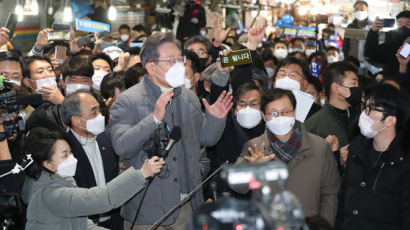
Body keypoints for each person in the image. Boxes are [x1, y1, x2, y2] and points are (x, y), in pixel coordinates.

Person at [109, 32, 233, 229]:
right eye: (171, 60)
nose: (179, 65)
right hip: (148, 209)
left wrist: (215, 119)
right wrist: (154, 119)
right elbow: (122, 147)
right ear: (150, 67)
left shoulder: (188, 97)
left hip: (188, 205)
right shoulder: (127, 100)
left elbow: (206, 140)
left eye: (180, 59)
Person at [21, 127, 164, 230]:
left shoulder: (63, 181)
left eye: (71, 152)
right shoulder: (50, 194)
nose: (72, 158)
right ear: (47, 164)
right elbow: (101, 198)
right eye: (64, 155)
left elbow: (80, 224)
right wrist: (140, 175)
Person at [233, 88, 340, 226]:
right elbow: (238, 187)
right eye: (273, 113)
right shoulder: (254, 147)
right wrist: (251, 169)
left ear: (294, 113)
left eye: (285, 112)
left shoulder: (319, 147)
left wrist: (324, 225)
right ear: (264, 116)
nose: (280, 117)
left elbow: (330, 193)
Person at [335, 83, 410, 230]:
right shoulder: (356, 151)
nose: (364, 114)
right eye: (365, 107)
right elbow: (343, 204)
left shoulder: (404, 162)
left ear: (390, 120)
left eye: (372, 109)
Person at [61, 90, 122, 229]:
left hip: (114, 220)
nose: (100, 116)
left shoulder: (106, 139)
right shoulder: (63, 149)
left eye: (100, 111)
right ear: (76, 120)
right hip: (83, 223)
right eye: (94, 113)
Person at [305, 61, 361, 149]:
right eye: (353, 83)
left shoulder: (361, 118)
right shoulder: (314, 126)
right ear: (336, 88)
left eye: (358, 84)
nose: (357, 88)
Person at [364, 10, 410, 76]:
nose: (403, 27)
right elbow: (371, 54)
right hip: (390, 81)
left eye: (408, 24)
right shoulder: (390, 42)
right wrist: (373, 32)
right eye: (400, 24)